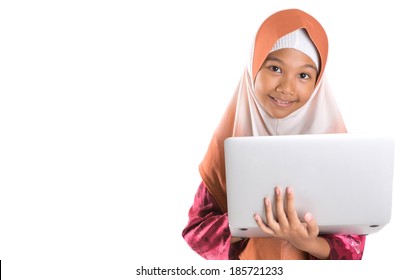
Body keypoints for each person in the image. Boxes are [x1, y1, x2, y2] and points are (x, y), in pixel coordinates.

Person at [182, 8, 366, 260]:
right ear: (254, 65)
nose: (286, 87)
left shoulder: (335, 149)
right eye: (275, 68)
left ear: (317, 83)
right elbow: (196, 234)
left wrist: (307, 242)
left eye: (303, 75)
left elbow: (353, 248)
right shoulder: (228, 143)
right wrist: (250, 221)